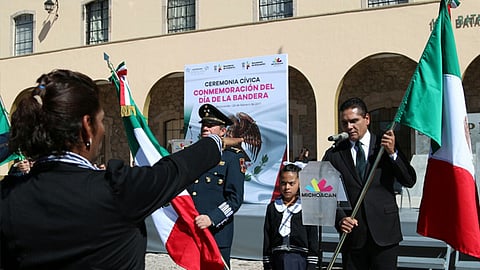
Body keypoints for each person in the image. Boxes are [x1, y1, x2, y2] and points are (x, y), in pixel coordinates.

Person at [0, 69, 242, 269]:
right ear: (87, 127)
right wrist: (215, 142)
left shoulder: (9, 195)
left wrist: (24, 135)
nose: (103, 129)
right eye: (101, 120)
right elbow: (175, 169)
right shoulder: (116, 189)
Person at [321, 97, 416, 270]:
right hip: (353, 236)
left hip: (384, 233)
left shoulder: (384, 146)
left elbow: (408, 180)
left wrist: (392, 153)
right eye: (345, 123)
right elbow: (324, 193)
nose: (349, 127)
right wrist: (340, 218)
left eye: (354, 121)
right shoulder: (334, 154)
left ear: (367, 119)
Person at [187, 103, 247, 268]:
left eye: (211, 125)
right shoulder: (193, 155)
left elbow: (235, 199)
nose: (205, 128)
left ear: (222, 131)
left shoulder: (232, 158)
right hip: (193, 231)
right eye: (204, 125)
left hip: (217, 233)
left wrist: (212, 218)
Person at [263, 162, 320, 270]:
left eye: (291, 183)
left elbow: (312, 238)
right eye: (283, 183)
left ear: (299, 183)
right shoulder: (272, 208)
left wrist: (312, 264)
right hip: (277, 258)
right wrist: (267, 262)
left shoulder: (307, 207)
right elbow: (267, 236)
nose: (287, 187)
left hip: (299, 258)